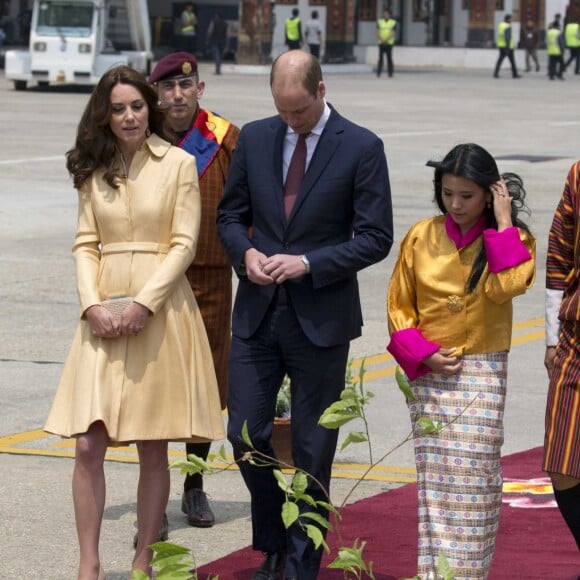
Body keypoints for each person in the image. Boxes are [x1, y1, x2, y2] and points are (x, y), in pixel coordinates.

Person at [43, 65, 225, 579]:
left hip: (160, 309)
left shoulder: (180, 164)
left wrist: (144, 303)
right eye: (118, 108)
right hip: (101, 311)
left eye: (137, 106)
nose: (128, 116)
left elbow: (184, 243)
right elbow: (84, 243)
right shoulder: (93, 169)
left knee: (152, 443)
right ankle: (89, 563)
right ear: (105, 114)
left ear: (151, 109)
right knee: (87, 443)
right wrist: (91, 305)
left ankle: (144, 557)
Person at [217, 50, 393, 580]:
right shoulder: (255, 137)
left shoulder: (361, 147)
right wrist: (244, 255)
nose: (290, 121)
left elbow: (376, 237)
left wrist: (310, 262)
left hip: (321, 319)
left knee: (314, 450)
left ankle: (299, 565)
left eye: (299, 111)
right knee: (245, 435)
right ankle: (273, 538)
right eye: (282, 110)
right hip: (258, 312)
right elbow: (231, 215)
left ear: (321, 90)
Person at [387, 143, 535, 579]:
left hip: (483, 372)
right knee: (435, 485)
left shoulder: (516, 240)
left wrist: (504, 224)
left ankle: (467, 572)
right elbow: (399, 308)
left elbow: (505, 287)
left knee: (474, 480)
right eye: (448, 193)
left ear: (491, 194)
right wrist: (424, 353)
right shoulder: (419, 235)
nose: (455, 204)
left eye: (467, 196)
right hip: (430, 376)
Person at [147, 52, 239, 531]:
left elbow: (248, 205)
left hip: (208, 277)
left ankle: (194, 485)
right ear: (156, 91)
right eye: (167, 88)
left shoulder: (225, 140)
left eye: (186, 87)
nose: (177, 96)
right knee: (156, 386)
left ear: (200, 90)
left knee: (205, 387)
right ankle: (153, 497)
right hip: (153, 278)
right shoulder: (140, 135)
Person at [544, 160, 580, 556]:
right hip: (576, 335)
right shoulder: (578, 175)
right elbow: (558, 256)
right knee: (562, 461)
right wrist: (552, 339)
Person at [493, 14, 521, 79]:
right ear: (508, 19)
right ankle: (515, 74)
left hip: (501, 45)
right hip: (508, 47)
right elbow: (507, 38)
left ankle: (495, 73)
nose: (511, 20)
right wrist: (508, 48)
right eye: (511, 19)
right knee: (512, 61)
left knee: (500, 60)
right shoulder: (507, 26)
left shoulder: (501, 25)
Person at [376, 8, 397, 78]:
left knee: (389, 58)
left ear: (389, 15)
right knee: (380, 58)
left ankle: (390, 73)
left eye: (386, 14)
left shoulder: (393, 22)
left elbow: (393, 33)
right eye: (384, 13)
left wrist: (386, 40)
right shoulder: (379, 22)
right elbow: (377, 32)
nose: (385, 15)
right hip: (381, 42)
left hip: (389, 43)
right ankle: (378, 73)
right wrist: (382, 39)